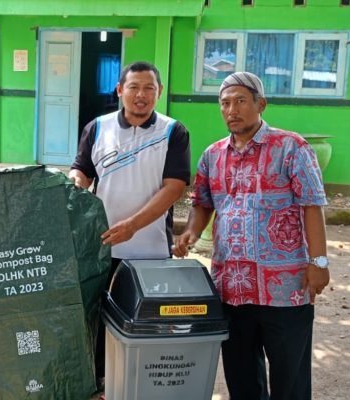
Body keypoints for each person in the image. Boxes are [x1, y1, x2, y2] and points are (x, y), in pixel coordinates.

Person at [173, 71, 330, 400]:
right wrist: (190, 232)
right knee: (242, 378)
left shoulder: (291, 147)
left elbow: (312, 206)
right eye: (225, 103)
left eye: (241, 101)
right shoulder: (212, 156)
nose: (232, 109)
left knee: (290, 380)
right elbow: (203, 204)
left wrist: (319, 262)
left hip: (285, 288)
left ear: (261, 104)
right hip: (233, 287)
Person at [69, 61, 191, 397]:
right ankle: (99, 387)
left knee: (146, 325)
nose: (141, 95)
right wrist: (76, 182)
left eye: (149, 88)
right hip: (101, 248)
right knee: (96, 325)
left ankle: (140, 387)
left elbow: (174, 187)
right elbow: (82, 170)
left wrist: (133, 226)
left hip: (150, 253)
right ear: (120, 90)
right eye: (134, 87)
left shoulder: (172, 131)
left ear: (159, 92)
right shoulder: (98, 127)